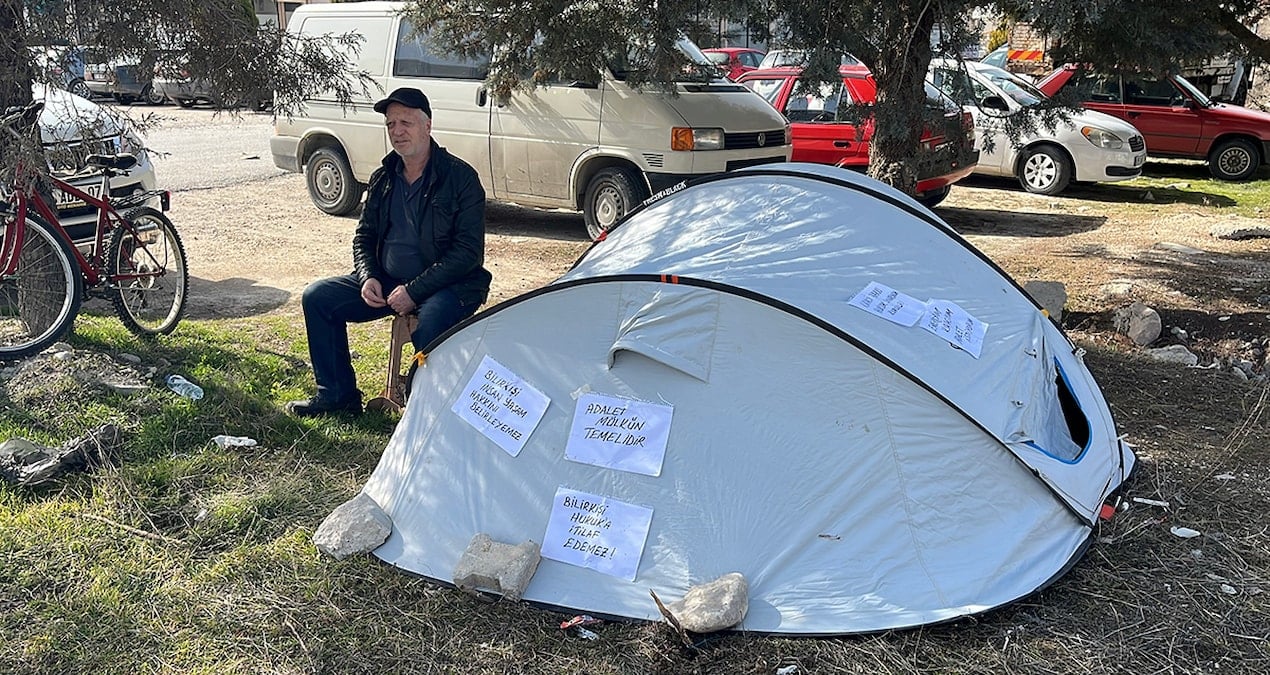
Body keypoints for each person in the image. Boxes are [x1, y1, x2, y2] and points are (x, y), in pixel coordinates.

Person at [286, 87, 491, 417]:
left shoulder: (461, 178)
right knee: (318, 297)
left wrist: (414, 290)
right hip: (389, 280)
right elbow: (363, 237)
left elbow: (468, 253)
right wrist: (368, 276)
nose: (397, 131)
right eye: (391, 124)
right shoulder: (383, 178)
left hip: (450, 285)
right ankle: (338, 396)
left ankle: (428, 409)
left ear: (428, 125)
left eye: (406, 122)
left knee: (433, 322)